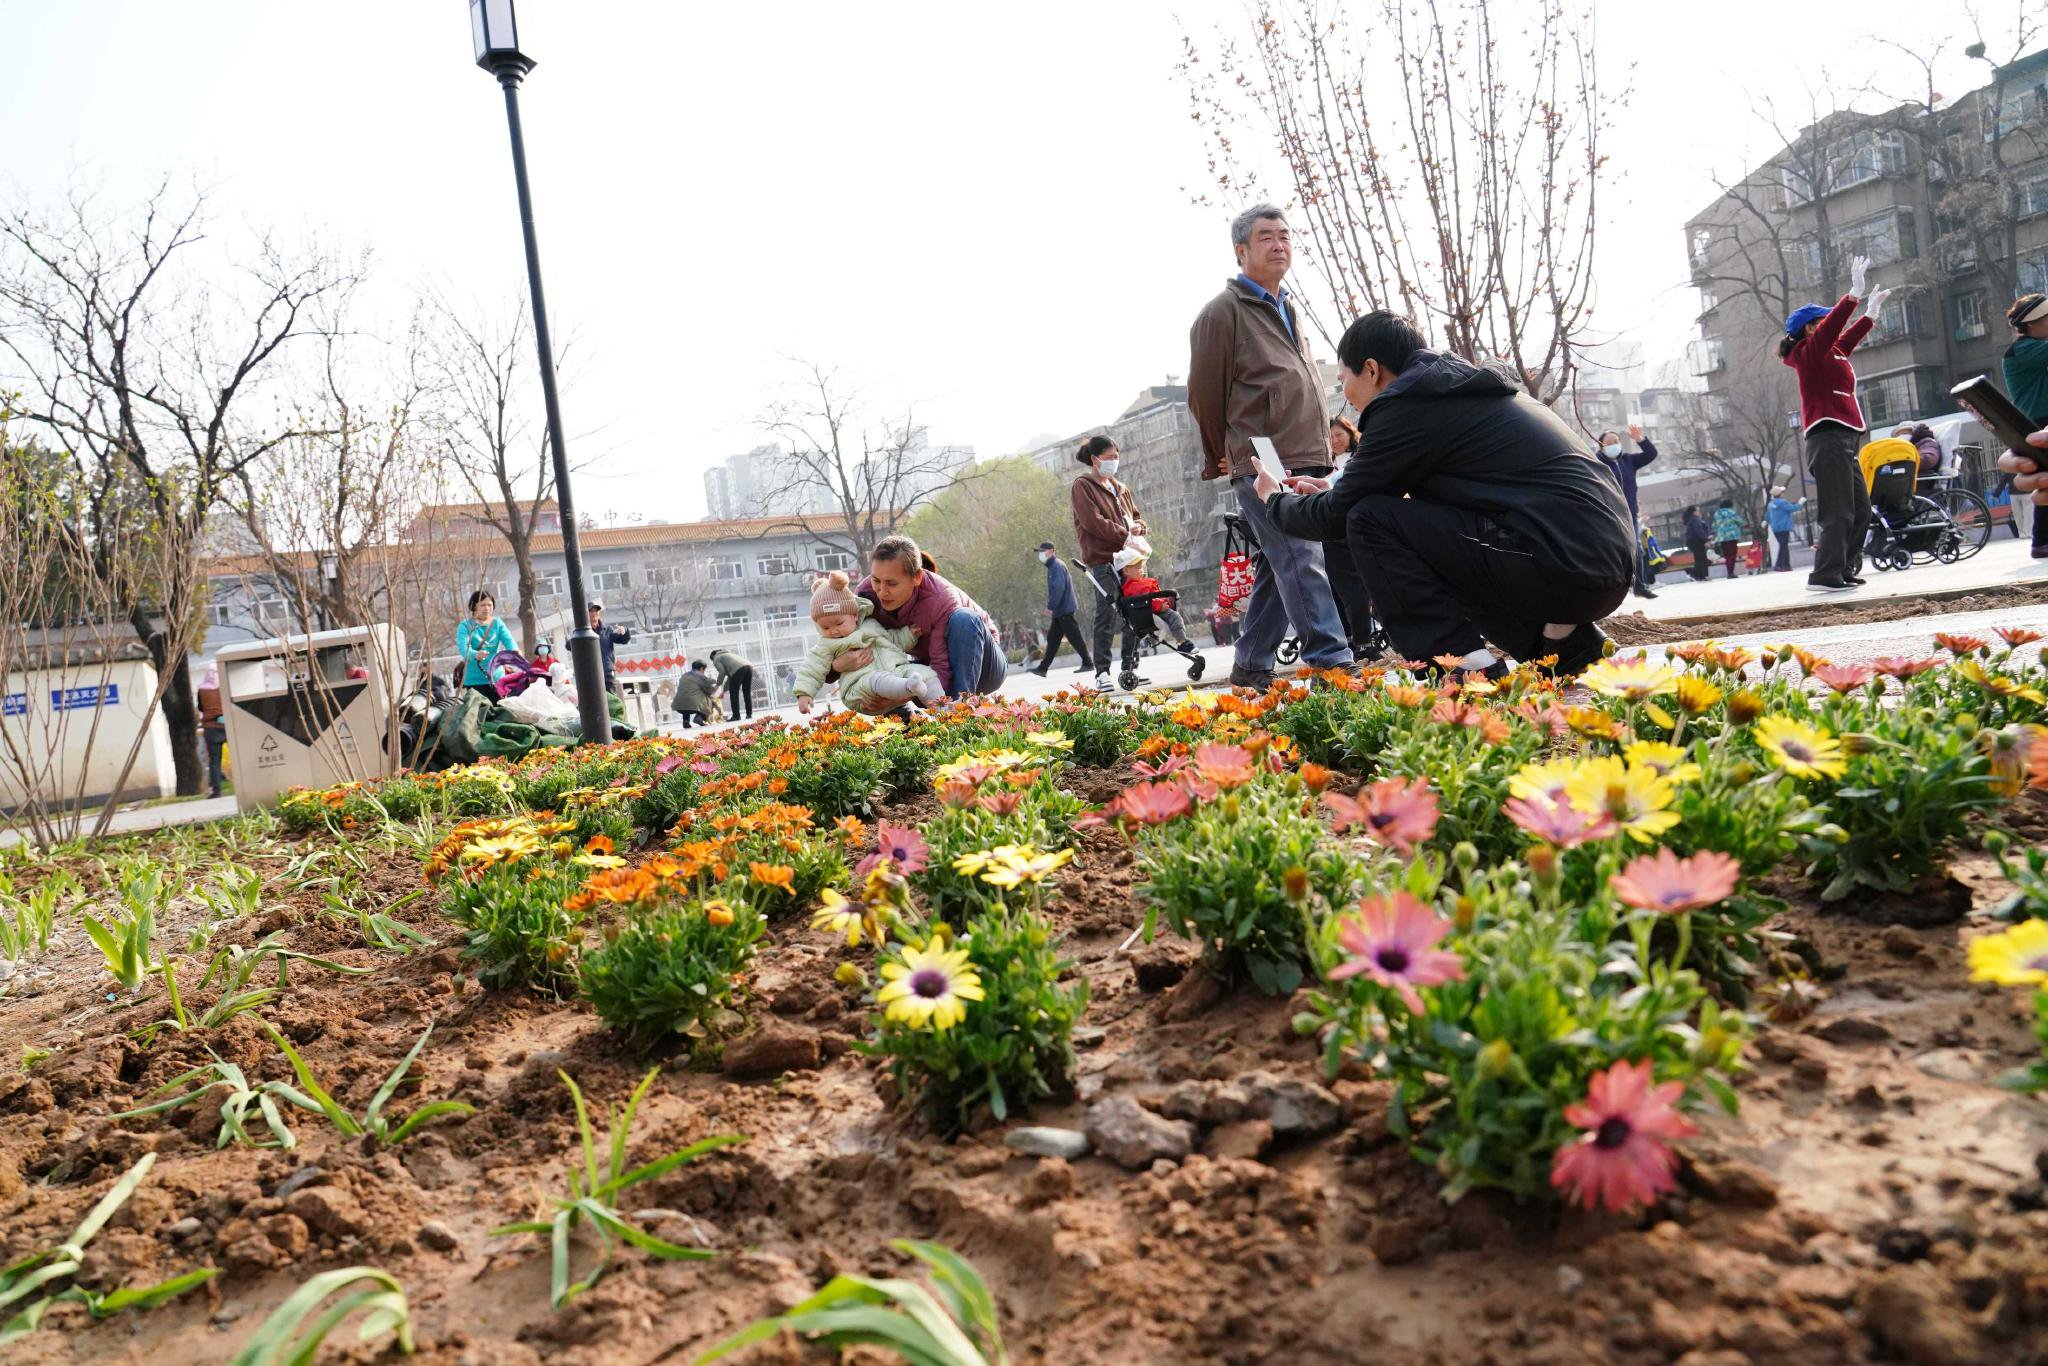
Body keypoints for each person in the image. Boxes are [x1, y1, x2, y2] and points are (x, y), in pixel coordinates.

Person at [1256, 311, 1632, 676]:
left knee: (1369, 521)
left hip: (1566, 565)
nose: (1348, 397)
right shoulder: (1456, 391)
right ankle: (1564, 648)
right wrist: (1333, 488)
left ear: (1371, 369)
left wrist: (1275, 501)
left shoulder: (1408, 405)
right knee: (1412, 526)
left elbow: (1338, 515)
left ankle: (1466, 667)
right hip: (1596, 559)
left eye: (1343, 381)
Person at [1188, 205, 1354, 690]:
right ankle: (1331, 662)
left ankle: (1250, 665)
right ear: (1242, 251)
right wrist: (1217, 451)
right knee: (1301, 559)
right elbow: (1203, 395)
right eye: (1266, 237)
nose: (1279, 243)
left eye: (1285, 235)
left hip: (1306, 452)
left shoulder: (1286, 305)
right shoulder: (1222, 313)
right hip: (1263, 455)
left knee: (1282, 565)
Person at [1781, 254, 1889, 590]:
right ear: (1811, 329)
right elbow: (1833, 333)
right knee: (1839, 510)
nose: (1832, 326)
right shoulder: (1806, 354)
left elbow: (1846, 340)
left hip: (1844, 439)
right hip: (1826, 438)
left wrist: (1869, 315)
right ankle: (1824, 574)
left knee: (1860, 508)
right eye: (1824, 322)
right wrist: (1853, 295)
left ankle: (1843, 568)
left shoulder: (1829, 352)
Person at [841, 534, 1006, 701]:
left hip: (983, 664)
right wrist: (838, 665)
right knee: (885, 675)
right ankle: (900, 720)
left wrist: (940, 708)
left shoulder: (941, 598)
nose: (882, 591)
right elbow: (835, 639)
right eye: (876, 580)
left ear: (917, 577)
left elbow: (941, 663)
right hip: (930, 666)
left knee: (964, 619)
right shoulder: (865, 596)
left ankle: (961, 711)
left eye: (892, 584)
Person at [1070, 436, 1177, 690]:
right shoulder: (1082, 486)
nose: (1114, 462)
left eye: (1116, 457)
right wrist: (1125, 535)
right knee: (1106, 613)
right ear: (1095, 460)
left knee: (1135, 610)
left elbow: (1136, 516)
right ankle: (1102, 673)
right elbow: (1092, 522)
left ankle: (1129, 669)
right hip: (1103, 560)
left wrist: (1139, 527)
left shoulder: (1120, 488)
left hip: (1131, 559)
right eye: (1109, 458)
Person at [792, 571, 944, 715]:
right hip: (860, 687)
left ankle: (943, 709)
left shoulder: (871, 625)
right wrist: (804, 694)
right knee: (878, 679)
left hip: (895, 671)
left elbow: (892, 641)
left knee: (926, 673)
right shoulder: (826, 645)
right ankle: (908, 687)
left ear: (855, 615)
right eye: (825, 627)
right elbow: (812, 668)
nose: (833, 631)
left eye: (839, 624)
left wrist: (909, 634)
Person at [1112, 545, 1206, 677]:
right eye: (1138, 567)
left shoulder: (1145, 582)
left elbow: (1154, 595)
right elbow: (1144, 600)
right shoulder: (1131, 587)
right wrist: (1159, 605)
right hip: (1146, 615)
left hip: (1158, 610)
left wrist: (1163, 602)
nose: (1142, 570)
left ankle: (1182, 642)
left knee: (1175, 616)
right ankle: (1166, 641)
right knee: (1168, 620)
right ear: (1126, 570)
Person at [2004, 293, 2048, 559]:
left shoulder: (2034, 347)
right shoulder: (2025, 349)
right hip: (2037, 424)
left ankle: (2042, 542)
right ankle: (2041, 542)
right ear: (2033, 324)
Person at [1594, 425, 1660, 599]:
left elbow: (1651, 454)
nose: (1614, 445)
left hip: (1630, 514)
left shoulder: (1629, 460)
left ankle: (1640, 586)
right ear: (1601, 445)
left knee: (1636, 549)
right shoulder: (1596, 464)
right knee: (1613, 551)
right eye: (1609, 443)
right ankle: (1611, 590)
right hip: (1608, 515)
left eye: (1616, 441)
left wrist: (1640, 439)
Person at [1032, 541, 1092, 677]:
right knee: (1053, 640)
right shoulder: (1054, 566)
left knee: (1074, 638)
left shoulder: (1056, 566)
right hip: (1061, 611)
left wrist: (1050, 607)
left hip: (1063, 610)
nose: (1041, 555)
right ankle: (1043, 668)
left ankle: (1088, 663)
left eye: (1043, 551)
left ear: (1051, 551)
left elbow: (1058, 588)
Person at [456, 590, 516, 696]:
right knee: (479, 711)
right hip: (474, 680)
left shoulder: (497, 623)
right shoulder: (465, 626)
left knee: (501, 711)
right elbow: (463, 648)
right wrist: (475, 654)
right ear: (474, 606)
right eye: (482, 605)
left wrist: (514, 650)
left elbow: (509, 640)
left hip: (497, 678)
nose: (487, 608)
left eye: (490, 605)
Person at [196, 662, 227, 799]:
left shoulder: (202, 690)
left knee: (214, 760)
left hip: (210, 728)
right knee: (239, 756)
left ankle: (217, 791)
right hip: (227, 725)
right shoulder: (224, 686)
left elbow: (201, 708)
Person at [589, 603, 630, 697]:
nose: (594, 613)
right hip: (592, 674)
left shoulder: (607, 630)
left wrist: (624, 631)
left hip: (607, 672)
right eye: (591, 611)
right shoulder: (584, 632)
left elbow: (623, 640)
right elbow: (569, 645)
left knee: (612, 698)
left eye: (596, 611)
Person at [1765, 487, 1805, 572]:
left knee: (1783, 545)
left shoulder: (1770, 504)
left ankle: (1786, 565)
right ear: (1780, 494)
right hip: (1784, 527)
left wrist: (1765, 522)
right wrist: (1800, 503)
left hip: (1775, 528)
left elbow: (1768, 516)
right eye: (1782, 492)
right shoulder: (1783, 502)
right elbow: (1792, 508)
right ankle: (1780, 565)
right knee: (1783, 546)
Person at [710, 647, 755, 721]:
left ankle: (736, 716)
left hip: (739, 670)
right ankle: (749, 714)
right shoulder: (728, 654)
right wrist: (723, 690)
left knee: (734, 693)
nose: (713, 663)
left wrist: (718, 685)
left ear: (712, 657)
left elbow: (722, 672)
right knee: (746, 692)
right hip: (749, 666)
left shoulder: (716, 658)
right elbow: (730, 678)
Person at [671, 660, 717, 728]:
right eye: (704, 670)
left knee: (686, 696)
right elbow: (709, 690)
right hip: (693, 706)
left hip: (679, 706)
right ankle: (700, 717)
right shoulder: (701, 676)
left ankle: (686, 721)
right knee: (708, 698)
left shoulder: (684, 675)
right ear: (701, 668)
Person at [1710, 499, 1744, 579]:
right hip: (1732, 536)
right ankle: (1731, 572)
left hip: (1722, 537)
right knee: (1732, 554)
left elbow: (1714, 526)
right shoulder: (1731, 512)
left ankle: (1729, 572)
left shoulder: (1717, 514)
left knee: (1727, 555)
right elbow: (1740, 521)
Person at [1682, 505, 1712, 582]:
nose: (1699, 512)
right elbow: (1699, 531)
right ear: (1694, 512)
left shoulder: (1691, 519)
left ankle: (1699, 575)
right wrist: (1706, 540)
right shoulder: (1695, 520)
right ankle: (1694, 573)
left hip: (1693, 541)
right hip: (1696, 541)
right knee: (1701, 558)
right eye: (1698, 510)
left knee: (1700, 558)